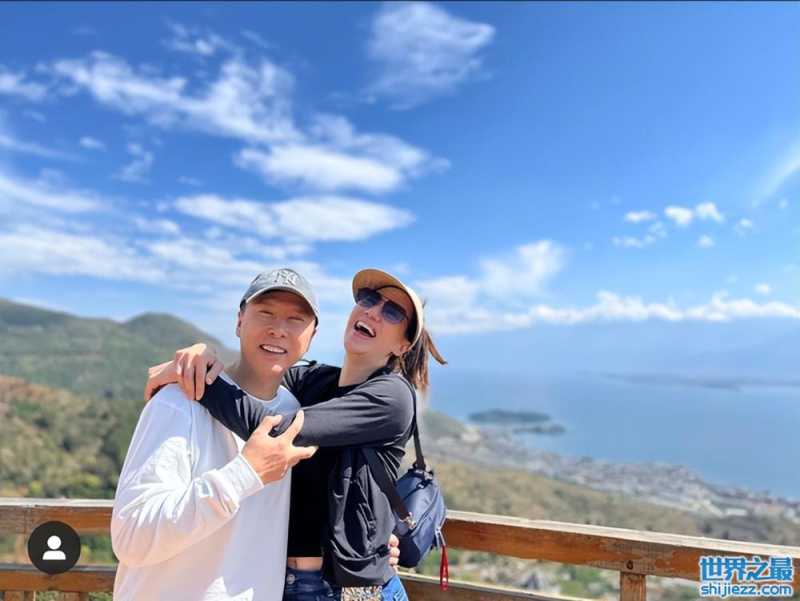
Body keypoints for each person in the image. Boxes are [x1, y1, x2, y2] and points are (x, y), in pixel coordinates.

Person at [146, 268, 447, 601]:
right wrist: (200, 357)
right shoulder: (312, 382)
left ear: (403, 345)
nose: (373, 311)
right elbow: (253, 378)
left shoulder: (392, 396)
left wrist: (198, 379)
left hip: (349, 592)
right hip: (282, 583)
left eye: (393, 312)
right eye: (369, 299)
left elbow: (273, 431)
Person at [111, 269, 321, 601]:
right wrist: (243, 475)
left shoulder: (298, 413)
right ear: (239, 321)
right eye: (265, 312)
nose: (278, 329)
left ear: (312, 336)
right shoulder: (179, 400)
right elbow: (132, 538)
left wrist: (382, 542)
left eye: (296, 319)